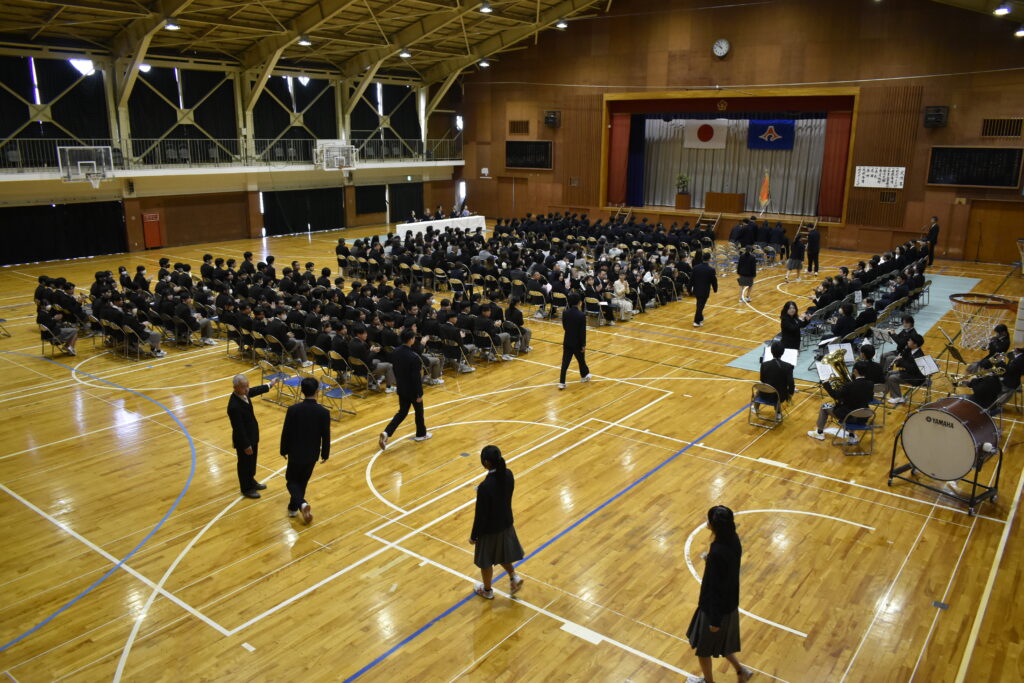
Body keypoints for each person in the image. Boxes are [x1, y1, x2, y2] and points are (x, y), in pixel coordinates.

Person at [686, 506, 753, 683]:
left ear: (714, 525)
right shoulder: (733, 539)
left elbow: (715, 588)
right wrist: (711, 561)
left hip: (714, 611)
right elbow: (726, 570)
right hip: (730, 604)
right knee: (723, 643)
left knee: (703, 650)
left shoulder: (717, 551)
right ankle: (741, 671)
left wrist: (715, 621)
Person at [470, 445, 525, 600]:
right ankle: (514, 577)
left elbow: (481, 516)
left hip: (490, 530)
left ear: (486, 463)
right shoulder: (508, 474)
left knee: (486, 562)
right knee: (502, 554)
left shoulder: (485, 487)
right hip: (506, 524)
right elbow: (501, 493)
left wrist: (474, 536)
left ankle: (487, 590)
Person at [279, 377, 331, 524]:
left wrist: (283, 450)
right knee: (302, 481)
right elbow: (326, 436)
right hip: (312, 454)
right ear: (317, 391)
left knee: (291, 481)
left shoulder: (293, 410)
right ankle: (293, 508)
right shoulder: (324, 412)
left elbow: (286, 432)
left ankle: (301, 504)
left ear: (302, 391)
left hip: (295, 452)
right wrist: (325, 454)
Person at [227, 373, 279, 499]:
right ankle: (246, 488)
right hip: (244, 441)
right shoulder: (234, 406)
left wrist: (270, 385)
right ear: (235, 387)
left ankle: (251, 481)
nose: (247, 389)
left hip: (252, 436)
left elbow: (255, 390)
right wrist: (246, 445)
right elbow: (238, 429)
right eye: (244, 387)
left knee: (251, 462)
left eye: (247, 386)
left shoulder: (244, 393)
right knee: (244, 464)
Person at [379, 329, 432, 450]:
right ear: (411, 340)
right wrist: (419, 394)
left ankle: (387, 432)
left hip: (401, 387)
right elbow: (416, 378)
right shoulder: (413, 357)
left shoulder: (395, 352)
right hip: (413, 390)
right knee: (419, 412)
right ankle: (421, 434)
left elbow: (395, 370)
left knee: (402, 412)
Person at [807, 361, 875, 441]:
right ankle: (851, 435)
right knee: (855, 407)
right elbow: (870, 399)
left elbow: (835, 395)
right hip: (864, 417)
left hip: (849, 417)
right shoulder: (871, 384)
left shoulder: (849, 385)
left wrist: (826, 384)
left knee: (824, 407)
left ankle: (819, 433)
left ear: (855, 371)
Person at [558, 293, 590, 390]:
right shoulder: (581, 315)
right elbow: (582, 332)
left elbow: (564, 326)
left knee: (565, 363)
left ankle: (562, 382)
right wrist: (583, 344)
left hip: (567, 341)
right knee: (581, 360)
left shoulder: (565, 313)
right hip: (578, 343)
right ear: (579, 302)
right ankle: (583, 376)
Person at [885, 333, 926, 404]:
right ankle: (886, 391)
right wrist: (899, 359)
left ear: (915, 345)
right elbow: (904, 358)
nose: (908, 342)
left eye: (910, 341)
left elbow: (912, 369)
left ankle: (898, 398)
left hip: (916, 377)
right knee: (889, 373)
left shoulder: (919, 356)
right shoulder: (909, 349)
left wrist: (900, 361)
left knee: (892, 378)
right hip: (909, 373)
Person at [757, 341, 794, 417]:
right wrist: (790, 394)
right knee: (778, 389)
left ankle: (755, 408)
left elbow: (762, 380)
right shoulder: (788, 366)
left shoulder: (764, 365)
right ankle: (778, 413)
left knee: (759, 389)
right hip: (780, 396)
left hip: (764, 394)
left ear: (771, 351)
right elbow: (791, 384)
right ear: (783, 352)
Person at [691, 253, 718, 328]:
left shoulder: (695, 268)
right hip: (705, 290)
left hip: (696, 289)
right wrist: (715, 289)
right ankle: (696, 321)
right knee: (701, 305)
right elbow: (714, 281)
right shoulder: (711, 270)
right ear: (709, 259)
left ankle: (700, 317)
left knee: (699, 304)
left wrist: (689, 288)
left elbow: (691, 279)